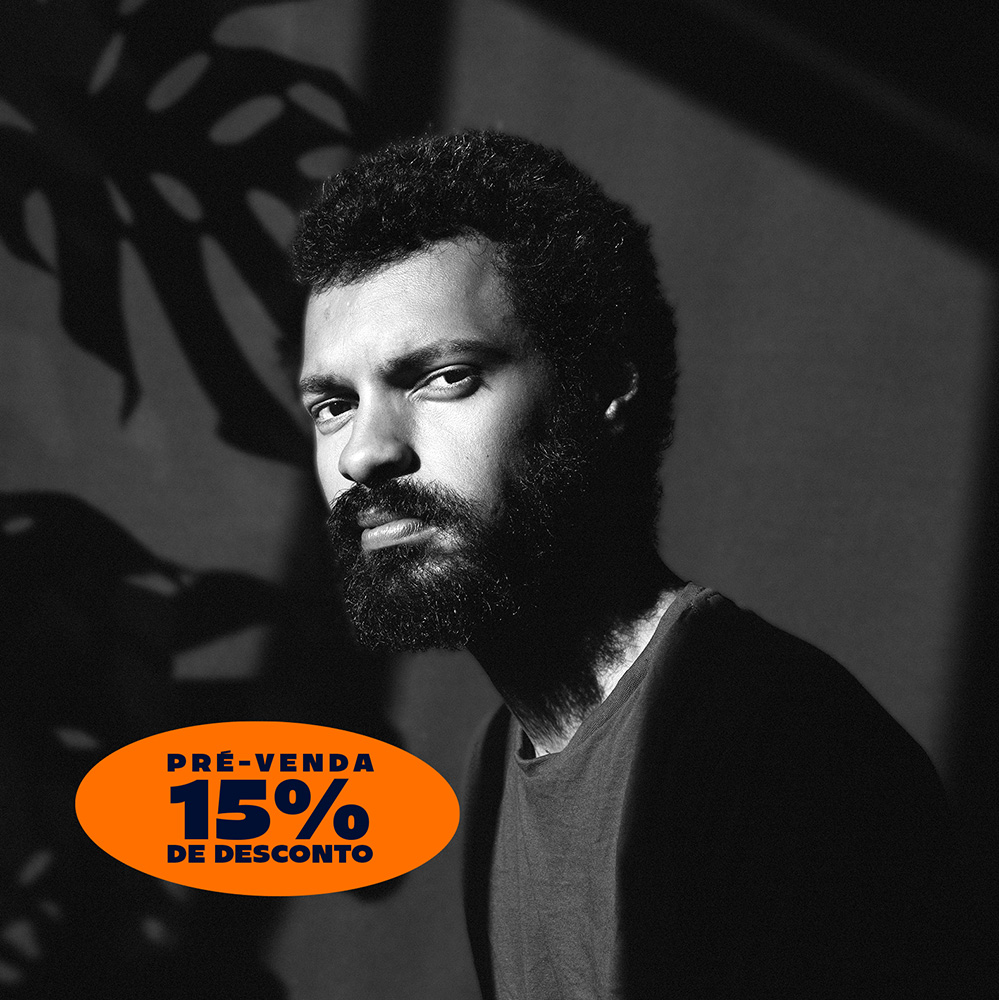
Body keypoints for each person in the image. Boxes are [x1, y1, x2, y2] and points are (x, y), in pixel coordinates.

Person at [291, 131, 968, 999]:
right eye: (333, 404)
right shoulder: (500, 760)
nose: (364, 454)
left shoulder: (783, 750)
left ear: (602, 385)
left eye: (444, 377)